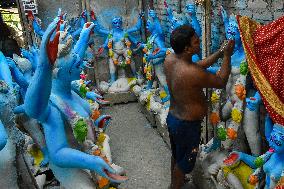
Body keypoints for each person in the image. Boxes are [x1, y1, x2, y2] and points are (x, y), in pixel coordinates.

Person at [164, 25, 234, 189]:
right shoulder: (192, 73)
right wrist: (227, 56)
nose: (199, 43)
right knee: (184, 163)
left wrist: (219, 53)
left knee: (177, 155)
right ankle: (176, 185)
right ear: (187, 48)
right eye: (196, 42)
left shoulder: (171, 60)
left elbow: (198, 65)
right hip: (187, 126)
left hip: (174, 119)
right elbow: (221, 81)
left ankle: (176, 183)